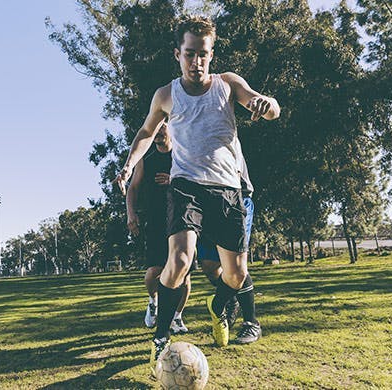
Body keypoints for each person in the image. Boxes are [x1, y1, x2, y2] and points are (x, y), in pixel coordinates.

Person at [113, 15, 280, 364]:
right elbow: (146, 133)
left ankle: (220, 303)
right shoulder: (166, 95)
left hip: (228, 189)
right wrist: (129, 165)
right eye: (189, 54)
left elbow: (264, 105)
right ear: (178, 54)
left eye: (203, 54)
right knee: (180, 259)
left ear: (211, 54)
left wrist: (267, 106)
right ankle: (160, 337)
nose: (196, 61)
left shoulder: (227, 84)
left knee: (234, 274)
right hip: (186, 185)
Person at [126, 121, 191, 335]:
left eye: (163, 125)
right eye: (156, 128)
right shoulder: (146, 157)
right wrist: (131, 213)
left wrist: (174, 179)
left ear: (172, 128)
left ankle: (177, 317)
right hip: (155, 220)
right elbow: (133, 188)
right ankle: (153, 302)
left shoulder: (182, 154)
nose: (159, 130)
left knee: (185, 274)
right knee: (154, 271)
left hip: (182, 218)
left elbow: (197, 181)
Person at [198, 150, 261, 344]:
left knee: (236, 267)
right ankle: (230, 297)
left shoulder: (223, 129)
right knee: (209, 264)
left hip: (235, 197)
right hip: (206, 200)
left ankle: (250, 323)